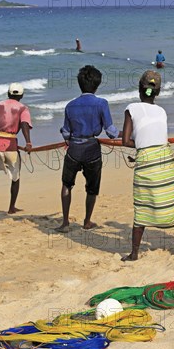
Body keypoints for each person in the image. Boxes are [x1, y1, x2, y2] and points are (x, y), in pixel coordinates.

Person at [121, 70, 174, 261]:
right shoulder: (162, 111)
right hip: (165, 159)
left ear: (140, 89)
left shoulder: (131, 108)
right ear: (157, 92)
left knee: (143, 205)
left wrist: (140, 148)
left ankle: (134, 253)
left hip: (147, 161)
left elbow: (125, 140)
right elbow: (157, 136)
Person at [56, 65, 120, 233]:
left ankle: (64, 222)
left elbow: (66, 133)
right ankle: (87, 221)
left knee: (66, 184)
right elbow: (111, 132)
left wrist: (66, 135)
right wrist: (128, 135)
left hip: (74, 149)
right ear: (97, 85)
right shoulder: (101, 103)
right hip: (92, 148)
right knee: (92, 188)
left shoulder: (70, 106)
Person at [0, 83, 32, 216]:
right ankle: (11, 207)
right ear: (21, 95)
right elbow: (24, 125)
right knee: (15, 177)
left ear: (8, 93)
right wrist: (28, 142)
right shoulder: (23, 108)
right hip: (11, 144)